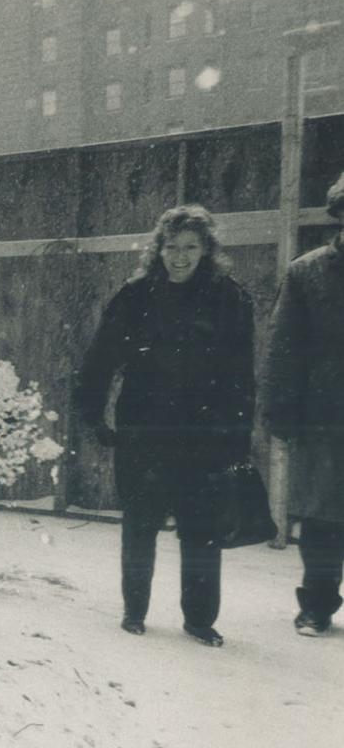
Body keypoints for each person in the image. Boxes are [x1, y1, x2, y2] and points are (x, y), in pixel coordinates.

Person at [75, 205, 255, 646]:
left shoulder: (230, 298)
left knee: (202, 527)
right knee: (140, 522)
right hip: (145, 426)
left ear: (207, 250)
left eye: (190, 247)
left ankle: (199, 619)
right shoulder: (135, 296)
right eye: (171, 247)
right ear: (158, 249)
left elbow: (240, 374)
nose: (180, 257)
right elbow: (99, 360)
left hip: (204, 431)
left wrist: (238, 433)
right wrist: (94, 414)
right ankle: (134, 610)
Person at [263, 174, 344, 637]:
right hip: (326, 417)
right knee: (323, 518)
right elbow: (282, 348)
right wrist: (281, 410)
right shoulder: (307, 273)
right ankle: (316, 605)